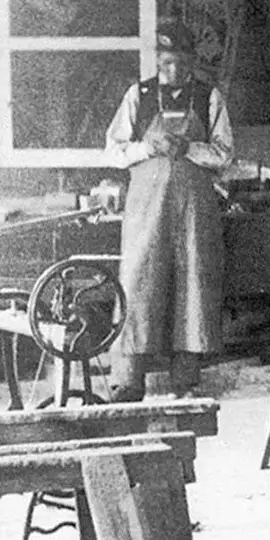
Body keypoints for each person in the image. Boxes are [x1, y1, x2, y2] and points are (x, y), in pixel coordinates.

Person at [104, 23, 234, 402]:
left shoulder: (209, 97)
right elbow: (113, 150)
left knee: (191, 285)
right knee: (138, 283)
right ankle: (128, 381)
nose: (174, 70)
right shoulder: (139, 95)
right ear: (158, 60)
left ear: (192, 61)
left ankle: (185, 380)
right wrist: (147, 146)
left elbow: (225, 153)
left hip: (194, 209)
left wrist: (190, 148)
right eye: (167, 62)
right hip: (147, 209)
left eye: (181, 62)